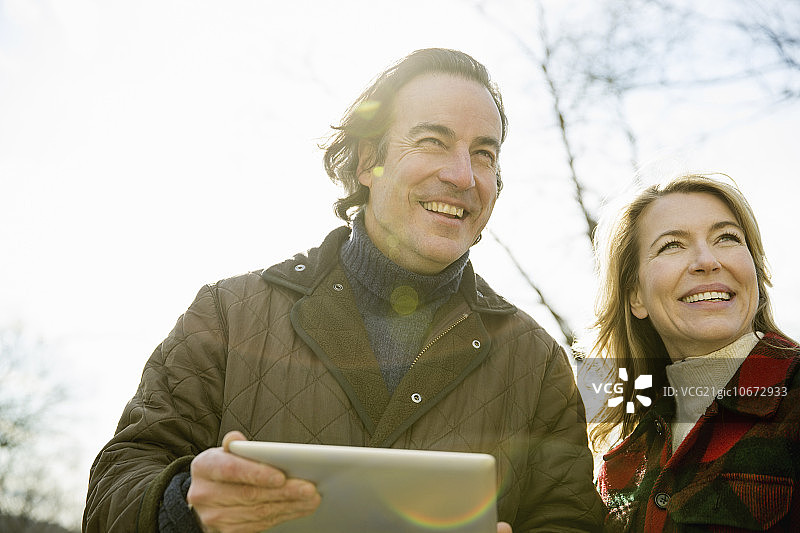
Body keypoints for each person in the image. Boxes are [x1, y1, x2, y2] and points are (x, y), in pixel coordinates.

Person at [83, 48, 605, 533]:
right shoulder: (226, 313)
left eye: (484, 153)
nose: (463, 175)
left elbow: (570, 520)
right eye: (432, 142)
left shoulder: (536, 363)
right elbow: (116, 482)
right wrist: (184, 504)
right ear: (366, 163)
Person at [588, 173, 799, 531]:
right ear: (636, 295)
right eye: (672, 245)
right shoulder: (621, 456)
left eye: (727, 238)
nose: (707, 260)